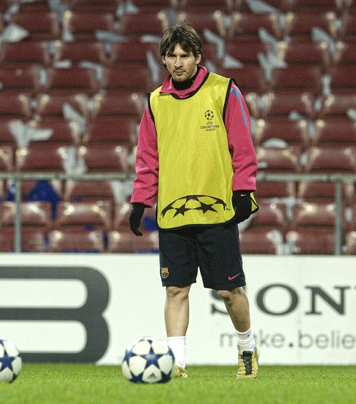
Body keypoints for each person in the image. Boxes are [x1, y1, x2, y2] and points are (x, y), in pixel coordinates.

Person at [129, 24, 260, 379]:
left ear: (198, 57)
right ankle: (176, 364)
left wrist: (244, 189)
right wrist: (140, 200)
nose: (177, 62)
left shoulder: (223, 90)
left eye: (184, 55)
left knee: (230, 291)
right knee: (175, 289)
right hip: (172, 213)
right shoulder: (156, 101)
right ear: (164, 59)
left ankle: (247, 347)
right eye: (171, 56)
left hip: (217, 209)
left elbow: (242, 145)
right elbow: (147, 157)